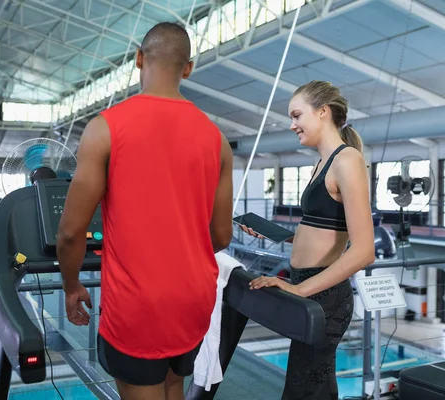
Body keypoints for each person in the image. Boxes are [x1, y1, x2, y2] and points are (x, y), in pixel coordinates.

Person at [56, 22, 234, 400]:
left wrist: (72, 286)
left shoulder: (105, 129)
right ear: (188, 68)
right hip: (193, 302)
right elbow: (220, 236)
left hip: (138, 308)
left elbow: (71, 232)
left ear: (139, 59)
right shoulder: (217, 140)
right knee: (174, 389)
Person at [242, 80, 375, 399]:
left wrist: (298, 288)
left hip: (324, 294)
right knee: (311, 387)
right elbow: (326, 227)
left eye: (297, 115)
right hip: (308, 287)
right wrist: (281, 236)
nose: (291, 125)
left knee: (306, 389)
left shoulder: (348, 160)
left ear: (323, 112)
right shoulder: (321, 164)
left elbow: (364, 250)